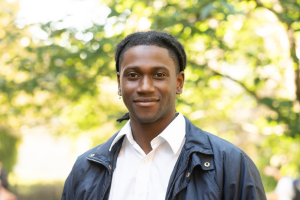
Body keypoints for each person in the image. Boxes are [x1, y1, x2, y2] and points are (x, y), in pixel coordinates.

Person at [61, 31, 266, 200]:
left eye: (159, 75)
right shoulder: (86, 168)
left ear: (179, 83)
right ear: (119, 84)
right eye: (133, 75)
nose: (145, 87)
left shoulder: (230, 164)